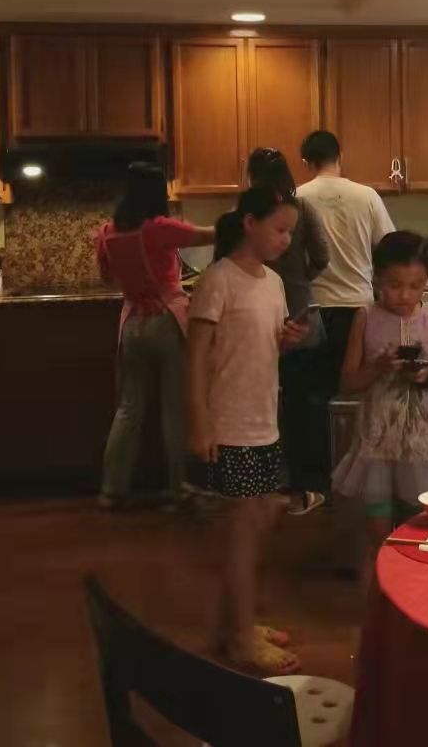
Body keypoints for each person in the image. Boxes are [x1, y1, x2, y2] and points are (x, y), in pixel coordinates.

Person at [187, 186, 310, 675]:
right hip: (230, 423)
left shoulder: (273, 282)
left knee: (259, 523)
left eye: (290, 232)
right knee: (242, 531)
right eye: (279, 229)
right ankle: (239, 640)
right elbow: (196, 357)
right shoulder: (219, 280)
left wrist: (287, 340)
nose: (285, 240)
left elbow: (260, 345)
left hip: (264, 420)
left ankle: (232, 625)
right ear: (249, 223)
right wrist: (200, 422)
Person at [332, 231, 428, 591]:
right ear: (377, 280)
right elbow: (348, 382)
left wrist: (427, 376)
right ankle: (377, 592)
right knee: (377, 529)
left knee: (416, 526)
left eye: (415, 286)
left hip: (420, 442)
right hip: (377, 440)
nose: (404, 295)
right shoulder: (365, 318)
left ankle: (411, 590)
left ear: (427, 281)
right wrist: (378, 367)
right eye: (394, 285)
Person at [95, 162, 214, 509]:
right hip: (166, 320)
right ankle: (179, 488)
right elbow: (206, 235)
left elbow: (106, 278)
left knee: (129, 409)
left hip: (132, 322)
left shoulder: (107, 232)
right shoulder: (159, 228)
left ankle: (111, 489)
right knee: (174, 408)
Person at [294, 130, 395, 493]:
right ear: (340, 156)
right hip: (359, 311)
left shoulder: (298, 198)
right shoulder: (366, 196)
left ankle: (316, 484)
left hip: (313, 311)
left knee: (311, 399)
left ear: (306, 162)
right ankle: (362, 478)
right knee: (361, 396)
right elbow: (390, 248)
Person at [246, 147, 331, 515]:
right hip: (302, 314)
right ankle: (306, 487)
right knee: (305, 407)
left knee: (265, 406)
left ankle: (265, 485)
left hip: (258, 320)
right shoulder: (302, 209)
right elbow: (323, 256)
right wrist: (300, 281)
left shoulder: (249, 214)